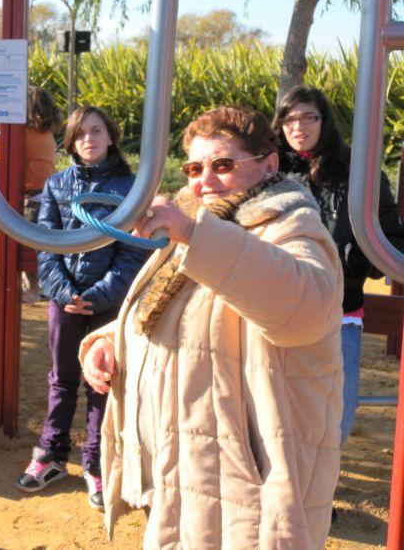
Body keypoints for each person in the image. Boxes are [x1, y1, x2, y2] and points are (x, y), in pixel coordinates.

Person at [80, 106, 344, 548]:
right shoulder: (198, 224)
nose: (205, 180)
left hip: (248, 484)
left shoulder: (292, 226)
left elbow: (309, 309)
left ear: (269, 165)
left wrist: (193, 233)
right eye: (195, 168)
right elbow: (171, 318)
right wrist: (107, 344)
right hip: (184, 467)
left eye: (223, 165)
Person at [15, 105, 150, 510]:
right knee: (62, 378)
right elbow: (47, 243)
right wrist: (62, 292)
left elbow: (131, 254)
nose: (88, 139)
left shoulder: (130, 188)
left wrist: (96, 297)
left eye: (96, 131)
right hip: (64, 301)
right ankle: (52, 455)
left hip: (108, 305)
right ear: (71, 142)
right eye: (79, 134)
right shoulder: (57, 185)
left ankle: (96, 463)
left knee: (102, 382)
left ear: (111, 136)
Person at [274, 86, 404, 448]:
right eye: (290, 118)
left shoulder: (357, 171)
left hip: (340, 310)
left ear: (324, 120)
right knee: (277, 416)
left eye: (308, 117)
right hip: (279, 312)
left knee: (337, 418)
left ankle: (320, 495)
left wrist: (357, 259)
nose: (298, 126)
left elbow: (390, 232)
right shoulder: (270, 171)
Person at [0, 86, 63, 301]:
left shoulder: (25, 134)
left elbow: (4, 156)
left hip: (31, 197)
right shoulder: (45, 134)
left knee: (25, 243)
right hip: (46, 195)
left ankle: (33, 289)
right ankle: (39, 285)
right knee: (38, 242)